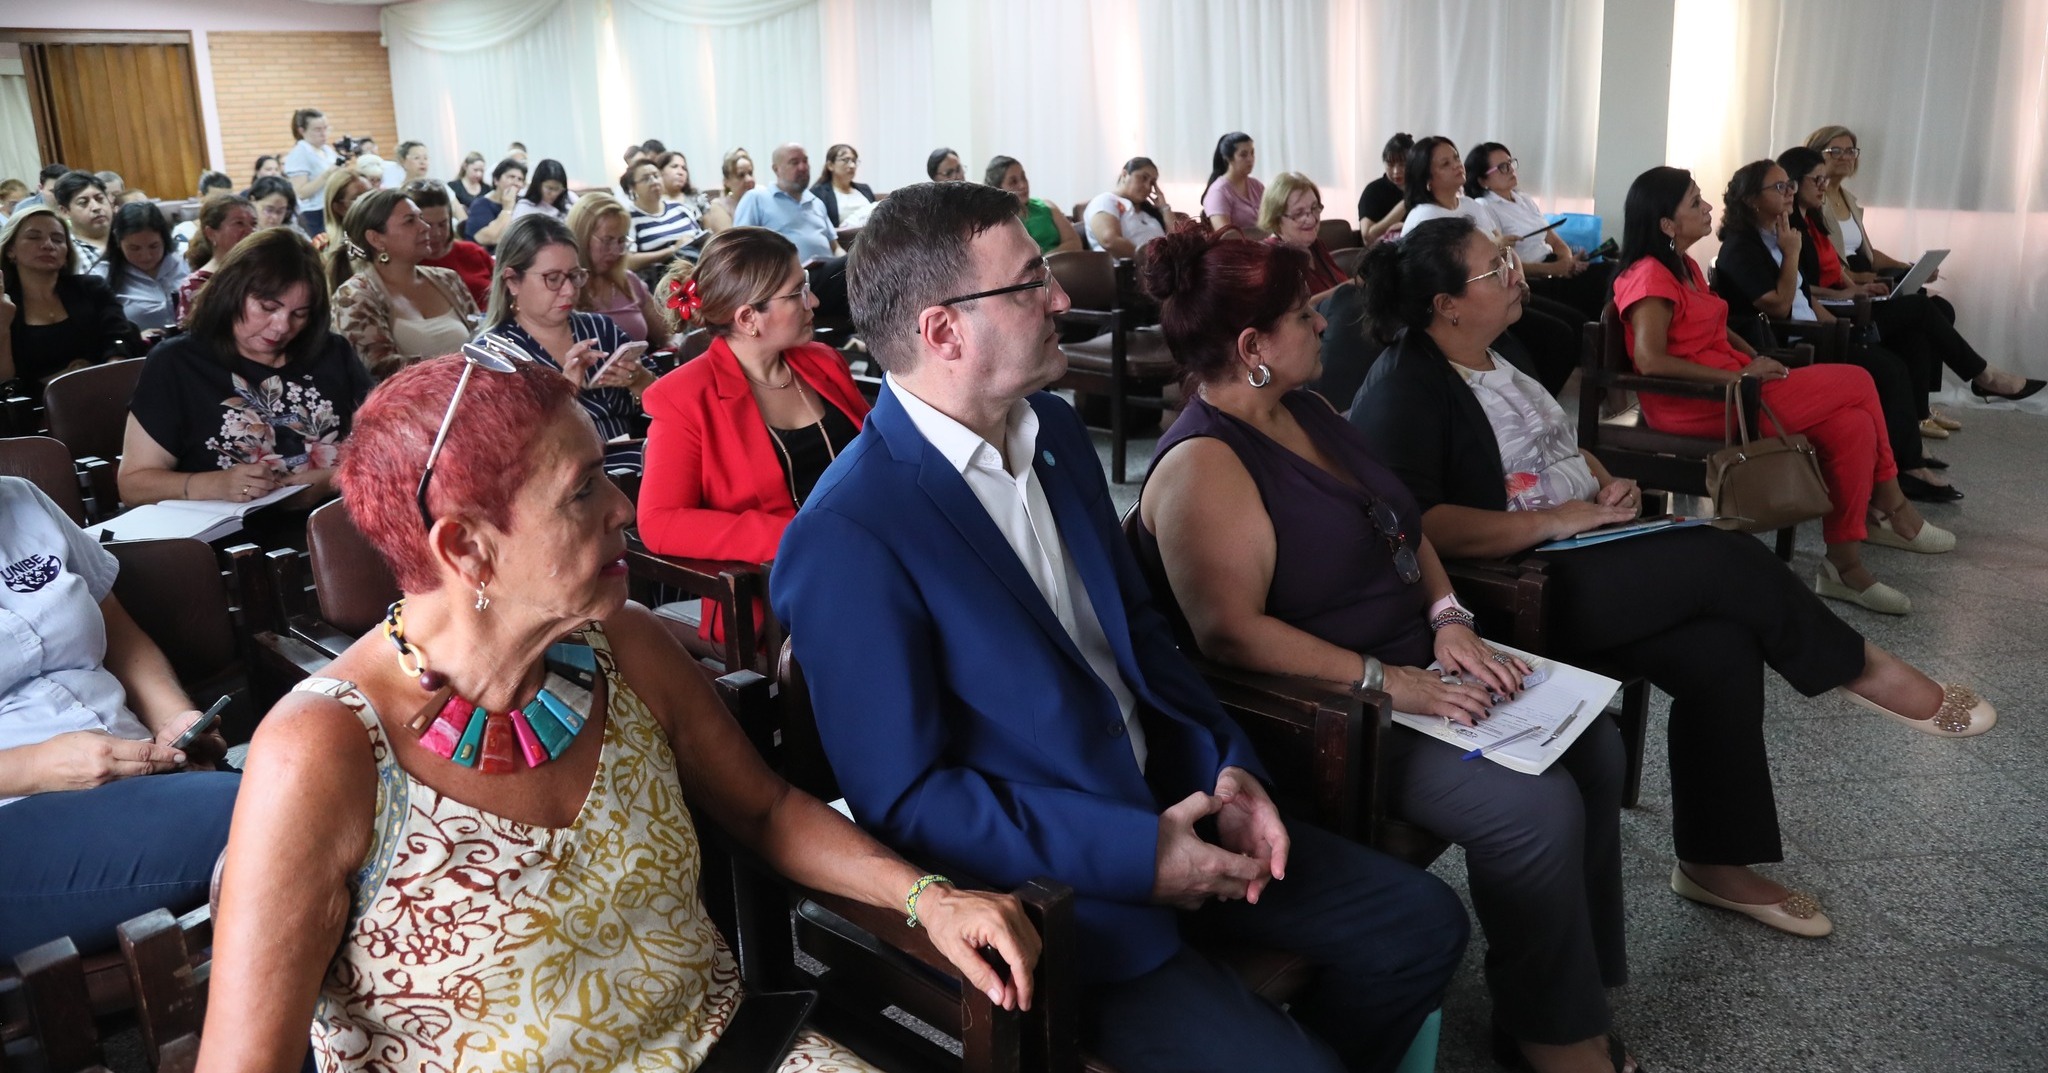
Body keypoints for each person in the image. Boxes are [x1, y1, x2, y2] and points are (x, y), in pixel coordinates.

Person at [771, 180, 1466, 1073]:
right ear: (944, 331)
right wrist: (1137, 855)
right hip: (1061, 892)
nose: (1063, 297)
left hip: (1182, 798)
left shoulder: (1055, 434)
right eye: (1031, 283)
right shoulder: (851, 532)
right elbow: (905, 798)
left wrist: (1230, 761)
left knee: (1425, 925)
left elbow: (1141, 638)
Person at [195, 354, 1037, 1073]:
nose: (624, 509)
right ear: (464, 548)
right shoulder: (325, 749)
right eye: (581, 490)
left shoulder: (622, 645)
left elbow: (766, 809)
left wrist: (928, 897)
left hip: (727, 1050)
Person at [1340, 217, 1994, 1065]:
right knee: (1723, 556)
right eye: (1492, 267)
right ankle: (1864, 671)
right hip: (1516, 593)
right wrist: (1559, 515)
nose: (1514, 272)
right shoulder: (1405, 386)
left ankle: (1716, 862)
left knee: (1721, 646)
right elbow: (1422, 524)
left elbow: (1545, 441)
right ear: (1444, 306)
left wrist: (1599, 478)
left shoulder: (1505, 353)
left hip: (1576, 550)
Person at [1141, 219, 1641, 1073]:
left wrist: (1450, 617)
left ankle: (1554, 992)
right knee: (1535, 811)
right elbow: (1230, 633)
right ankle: (1552, 1036)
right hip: (1337, 712)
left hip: (1422, 666)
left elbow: (1401, 522)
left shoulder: (1310, 409)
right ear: (1253, 345)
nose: (1323, 323)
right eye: (1304, 316)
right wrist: (1391, 682)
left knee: (1594, 744)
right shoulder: (1206, 466)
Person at [1613, 166, 1951, 614]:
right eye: (1695, 202)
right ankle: (1893, 504)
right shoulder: (1649, 275)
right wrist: (1736, 377)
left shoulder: (1686, 267)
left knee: (1851, 426)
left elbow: (1717, 325)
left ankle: (1844, 568)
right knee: (1860, 380)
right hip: (1699, 405)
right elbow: (1651, 359)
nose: (1709, 207)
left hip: (1738, 390)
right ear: (1666, 224)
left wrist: (1751, 355)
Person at [0, 476, 238, 961]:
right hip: (14, 814)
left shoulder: (21, 498)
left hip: (142, 773)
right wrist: (35, 766)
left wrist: (173, 716)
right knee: (287, 807)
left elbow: (120, 635)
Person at [639, 228, 870, 645]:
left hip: (866, 554)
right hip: (778, 593)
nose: (814, 301)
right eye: (797, 292)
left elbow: (878, 454)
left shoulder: (823, 362)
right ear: (748, 319)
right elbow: (658, 522)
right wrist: (800, 536)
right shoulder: (683, 397)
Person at [1711, 158, 1957, 505]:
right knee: (1888, 368)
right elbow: (1780, 308)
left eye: (1789, 186)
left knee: (1905, 340)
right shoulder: (1740, 248)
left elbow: (1803, 296)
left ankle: (1905, 455)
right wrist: (1792, 254)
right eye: (1779, 187)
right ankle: (1907, 468)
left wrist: (1841, 328)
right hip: (1789, 345)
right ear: (1751, 199)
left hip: (1814, 332)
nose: (1788, 193)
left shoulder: (1776, 236)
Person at [116, 228, 369, 509]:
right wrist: (215, 484)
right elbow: (133, 484)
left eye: (300, 314)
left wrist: (330, 480)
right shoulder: (177, 362)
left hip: (339, 517)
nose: (282, 326)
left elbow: (387, 446)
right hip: (235, 538)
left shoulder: (331, 352)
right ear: (232, 293)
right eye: (268, 307)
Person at [480, 215, 656, 471]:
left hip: (636, 462)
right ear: (512, 281)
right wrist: (564, 396)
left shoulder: (600, 328)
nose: (570, 291)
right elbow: (501, 449)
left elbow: (668, 402)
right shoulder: (494, 353)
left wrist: (640, 381)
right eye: (552, 278)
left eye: (574, 276)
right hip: (559, 482)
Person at [330, 190, 480, 379]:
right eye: (410, 221)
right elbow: (378, 371)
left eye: (421, 218)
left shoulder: (448, 279)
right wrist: (462, 363)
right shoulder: (354, 296)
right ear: (376, 239)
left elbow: (480, 336)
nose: (425, 227)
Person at [0, 205, 142, 386]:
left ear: (67, 252)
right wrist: (2, 327)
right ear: (11, 250)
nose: (48, 245)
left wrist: (112, 371)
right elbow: (5, 382)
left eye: (58, 239)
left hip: (105, 390)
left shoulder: (91, 288)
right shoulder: (4, 303)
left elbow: (118, 337)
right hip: (36, 407)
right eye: (34, 237)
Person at [1468, 142, 1603, 321]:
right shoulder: (1484, 206)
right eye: (1502, 167)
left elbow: (1553, 240)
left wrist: (1567, 261)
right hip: (1531, 277)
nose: (1510, 170)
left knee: (1609, 274)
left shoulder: (1523, 199)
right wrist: (1555, 269)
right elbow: (1504, 263)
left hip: (1553, 266)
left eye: (1510, 163)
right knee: (1582, 312)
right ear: (1483, 180)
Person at [731, 144, 852, 319]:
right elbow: (738, 250)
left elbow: (835, 248)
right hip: (790, 283)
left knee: (863, 264)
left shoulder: (816, 202)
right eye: (794, 162)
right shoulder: (757, 198)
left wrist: (851, 262)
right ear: (776, 169)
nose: (802, 167)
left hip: (827, 277)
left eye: (805, 161)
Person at [568, 193, 670, 347]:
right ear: (582, 237)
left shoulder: (628, 282)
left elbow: (668, 334)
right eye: (607, 241)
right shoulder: (564, 289)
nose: (616, 251)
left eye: (621, 240)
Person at [92, 201, 188, 334]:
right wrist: (133, 337)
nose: (146, 256)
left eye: (154, 246)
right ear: (118, 241)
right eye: (134, 248)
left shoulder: (186, 258)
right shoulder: (102, 276)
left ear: (164, 238)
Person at [407, 179, 495, 309]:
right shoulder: (406, 265)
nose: (436, 233)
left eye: (443, 224)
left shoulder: (472, 251)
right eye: (428, 225)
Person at [1259, 172, 1346, 304]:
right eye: (1298, 213)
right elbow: (1292, 313)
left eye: (1314, 208)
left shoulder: (1315, 245)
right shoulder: (1270, 258)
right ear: (1276, 219)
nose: (1311, 219)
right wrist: (1349, 288)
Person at [176, 194, 259, 323]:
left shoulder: (263, 272)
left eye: (253, 224)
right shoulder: (197, 284)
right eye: (239, 223)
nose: (251, 231)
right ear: (211, 233)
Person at [987, 155, 1081, 254]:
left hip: (1063, 265)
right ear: (997, 188)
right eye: (1013, 181)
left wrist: (1046, 260)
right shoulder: (995, 221)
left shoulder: (1047, 206)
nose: (1023, 185)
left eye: (1024, 177)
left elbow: (1075, 243)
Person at [620, 161, 700, 275]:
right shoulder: (629, 218)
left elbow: (700, 237)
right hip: (661, 279)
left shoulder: (680, 208)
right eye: (646, 178)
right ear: (632, 187)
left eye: (656, 176)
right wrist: (672, 250)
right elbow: (628, 262)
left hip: (697, 269)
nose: (654, 181)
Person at [1085, 157, 1173, 258]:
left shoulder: (1148, 211)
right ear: (1125, 174)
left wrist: (1164, 207)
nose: (1148, 187)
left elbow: (1179, 241)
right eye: (1143, 178)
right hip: (1130, 270)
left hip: (1162, 268)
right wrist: (1151, 261)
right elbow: (1109, 241)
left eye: (1152, 182)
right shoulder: (1105, 201)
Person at [283, 107, 341, 234]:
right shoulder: (299, 153)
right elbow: (301, 193)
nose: (323, 133)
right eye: (317, 130)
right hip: (315, 213)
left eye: (326, 128)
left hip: (333, 208)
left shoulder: (327, 150)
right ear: (302, 131)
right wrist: (327, 174)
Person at [1200, 132, 1265, 237]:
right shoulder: (1218, 192)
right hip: (1235, 252)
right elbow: (1226, 235)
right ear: (1228, 158)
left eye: (1252, 153)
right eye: (1243, 155)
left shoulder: (1257, 186)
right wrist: (1265, 232)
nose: (1250, 159)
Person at [461, 157, 527, 251]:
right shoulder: (480, 205)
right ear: (496, 180)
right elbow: (487, 238)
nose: (515, 183)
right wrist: (507, 209)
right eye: (511, 177)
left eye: (520, 179)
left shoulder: (522, 204)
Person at [811, 143, 878, 233]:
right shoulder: (819, 193)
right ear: (830, 165)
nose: (852, 166)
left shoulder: (865, 189)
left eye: (854, 161)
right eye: (846, 160)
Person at [54, 170, 113, 273]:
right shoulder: (65, 251)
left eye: (99, 199)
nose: (96, 207)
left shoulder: (127, 237)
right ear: (65, 211)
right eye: (83, 203)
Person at [314, 168, 373, 254]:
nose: (370, 202)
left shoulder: (388, 236)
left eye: (372, 195)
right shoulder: (322, 245)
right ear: (339, 208)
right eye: (359, 199)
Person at [701, 148, 755, 234]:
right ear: (726, 182)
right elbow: (731, 244)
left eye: (750, 173)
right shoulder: (719, 206)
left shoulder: (761, 198)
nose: (749, 179)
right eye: (741, 175)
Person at [511, 158, 575, 224]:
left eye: (557, 189)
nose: (553, 194)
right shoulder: (524, 208)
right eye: (549, 188)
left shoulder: (570, 202)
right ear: (538, 185)